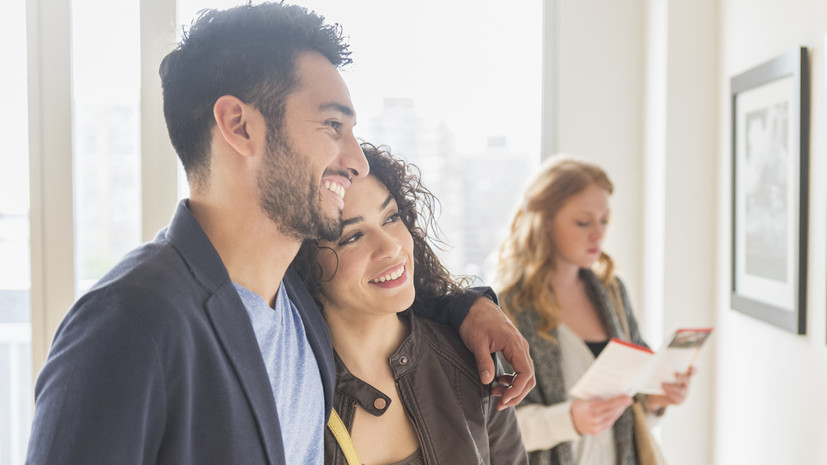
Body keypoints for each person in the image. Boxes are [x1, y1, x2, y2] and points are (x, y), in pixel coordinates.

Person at [24, 4, 534, 465]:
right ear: (239, 126)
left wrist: (471, 307)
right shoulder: (128, 324)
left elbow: (380, 307)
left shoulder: (297, 311)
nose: (355, 161)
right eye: (332, 126)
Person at [293, 142, 529, 464]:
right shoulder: (290, 388)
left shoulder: (471, 361)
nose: (390, 247)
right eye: (352, 237)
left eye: (390, 217)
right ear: (304, 262)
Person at [492, 157, 693, 465]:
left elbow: (629, 412)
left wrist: (655, 399)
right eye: (583, 222)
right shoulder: (506, 308)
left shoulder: (613, 293)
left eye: (604, 221)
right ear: (544, 222)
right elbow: (493, 423)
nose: (598, 234)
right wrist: (569, 419)